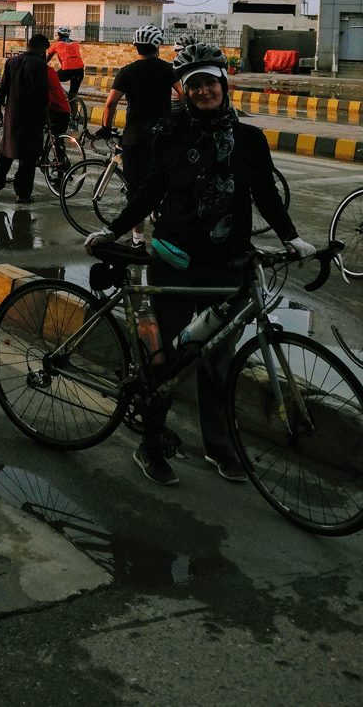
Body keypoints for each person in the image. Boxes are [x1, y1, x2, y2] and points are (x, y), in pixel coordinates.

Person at [86, 43, 316, 488]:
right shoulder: (168, 133)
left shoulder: (249, 139)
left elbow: (266, 195)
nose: (204, 91)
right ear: (185, 91)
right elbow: (150, 191)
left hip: (227, 265)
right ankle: (150, 444)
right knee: (167, 359)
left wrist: (292, 237)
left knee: (218, 361)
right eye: (195, 85)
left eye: (211, 83)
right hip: (174, 260)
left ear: (224, 86)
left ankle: (219, 447)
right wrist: (115, 230)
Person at [96, 26, 181, 252]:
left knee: (136, 191)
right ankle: (166, 235)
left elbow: (111, 103)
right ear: (157, 46)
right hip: (163, 137)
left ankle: (138, 241)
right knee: (165, 184)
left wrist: (106, 127)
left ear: (136, 47)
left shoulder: (126, 71)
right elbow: (183, 94)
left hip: (134, 139)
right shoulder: (168, 70)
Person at [0, 34, 50, 201]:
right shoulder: (40, 65)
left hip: (12, 116)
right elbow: (43, 95)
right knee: (28, 158)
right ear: (38, 47)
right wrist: (47, 118)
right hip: (32, 116)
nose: (44, 53)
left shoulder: (11, 62)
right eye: (44, 49)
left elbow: (2, 90)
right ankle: (22, 194)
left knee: (6, 152)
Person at [47, 26, 85, 97]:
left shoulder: (56, 45)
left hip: (67, 71)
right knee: (73, 96)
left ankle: (58, 97)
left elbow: (46, 59)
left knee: (50, 79)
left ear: (58, 35)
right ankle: (74, 106)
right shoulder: (75, 44)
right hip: (80, 71)